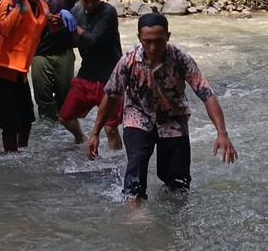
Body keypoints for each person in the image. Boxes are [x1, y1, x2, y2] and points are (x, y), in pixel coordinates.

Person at [87, 13, 237, 206]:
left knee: (178, 185)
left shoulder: (181, 59)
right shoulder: (128, 61)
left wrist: (222, 133)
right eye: (147, 41)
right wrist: (95, 132)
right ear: (139, 38)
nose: (153, 48)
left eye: (158, 41)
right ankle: (137, 221)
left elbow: (206, 94)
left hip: (173, 121)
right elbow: (111, 95)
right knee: (135, 176)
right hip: (138, 118)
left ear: (168, 36)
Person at [0, 0, 63, 153]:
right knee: (9, 124)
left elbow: (47, 27)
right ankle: (11, 157)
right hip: (1, 71)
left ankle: (23, 153)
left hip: (20, 73)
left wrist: (62, 19)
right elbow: (2, 29)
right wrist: (19, 8)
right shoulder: (8, 3)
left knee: (27, 118)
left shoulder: (44, 8)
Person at [59, 0, 123, 148]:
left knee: (110, 128)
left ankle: (114, 162)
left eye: (95, 0)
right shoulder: (76, 11)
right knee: (65, 117)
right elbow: (68, 40)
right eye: (86, 1)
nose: (90, 5)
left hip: (110, 75)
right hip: (87, 73)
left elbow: (93, 40)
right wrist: (59, 22)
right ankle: (81, 138)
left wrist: (75, 27)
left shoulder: (108, 12)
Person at [30, 0, 79, 120]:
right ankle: (48, 137)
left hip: (63, 53)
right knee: (43, 100)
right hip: (39, 53)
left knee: (65, 99)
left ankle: (65, 137)